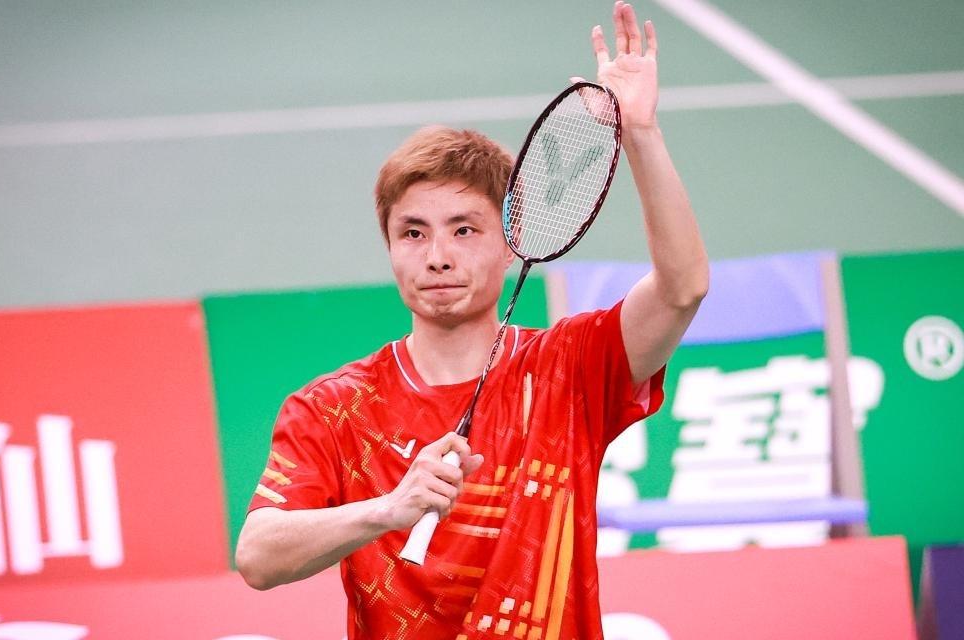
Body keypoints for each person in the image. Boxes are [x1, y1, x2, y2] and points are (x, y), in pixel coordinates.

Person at [236, 3, 708, 638]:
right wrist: (385, 510)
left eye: (464, 230)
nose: (437, 256)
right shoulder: (333, 408)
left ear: (511, 240)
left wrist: (641, 134)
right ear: (390, 247)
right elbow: (258, 556)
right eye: (413, 233)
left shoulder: (569, 369)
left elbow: (682, 289)